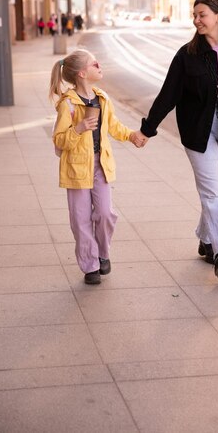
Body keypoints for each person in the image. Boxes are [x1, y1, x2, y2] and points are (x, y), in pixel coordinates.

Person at [138, 0, 218, 280]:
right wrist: (147, 129)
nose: (197, 20)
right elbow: (168, 94)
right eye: (195, 15)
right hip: (198, 130)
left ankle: (207, 239)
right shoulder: (187, 55)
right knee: (213, 191)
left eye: (202, 14)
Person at [49, 48, 144, 285]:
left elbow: (113, 126)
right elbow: (59, 140)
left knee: (105, 214)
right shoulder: (68, 105)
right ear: (82, 73)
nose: (99, 66)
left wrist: (131, 135)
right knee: (80, 219)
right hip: (77, 169)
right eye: (95, 64)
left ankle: (103, 252)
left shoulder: (102, 98)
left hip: (101, 165)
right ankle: (90, 265)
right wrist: (78, 129)